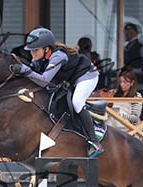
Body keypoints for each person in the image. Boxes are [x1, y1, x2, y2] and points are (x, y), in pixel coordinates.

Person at [9, 28, 102, 157]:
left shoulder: (58, 56)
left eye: (35, 50)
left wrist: (25, 70)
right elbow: (34, 73)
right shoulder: (41, 57)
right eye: (31, 51)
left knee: (77, 102)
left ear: (46, 49)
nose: (32, 54)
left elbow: (44, 81)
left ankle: (94, 141)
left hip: (87, 76)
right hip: (71, 79)